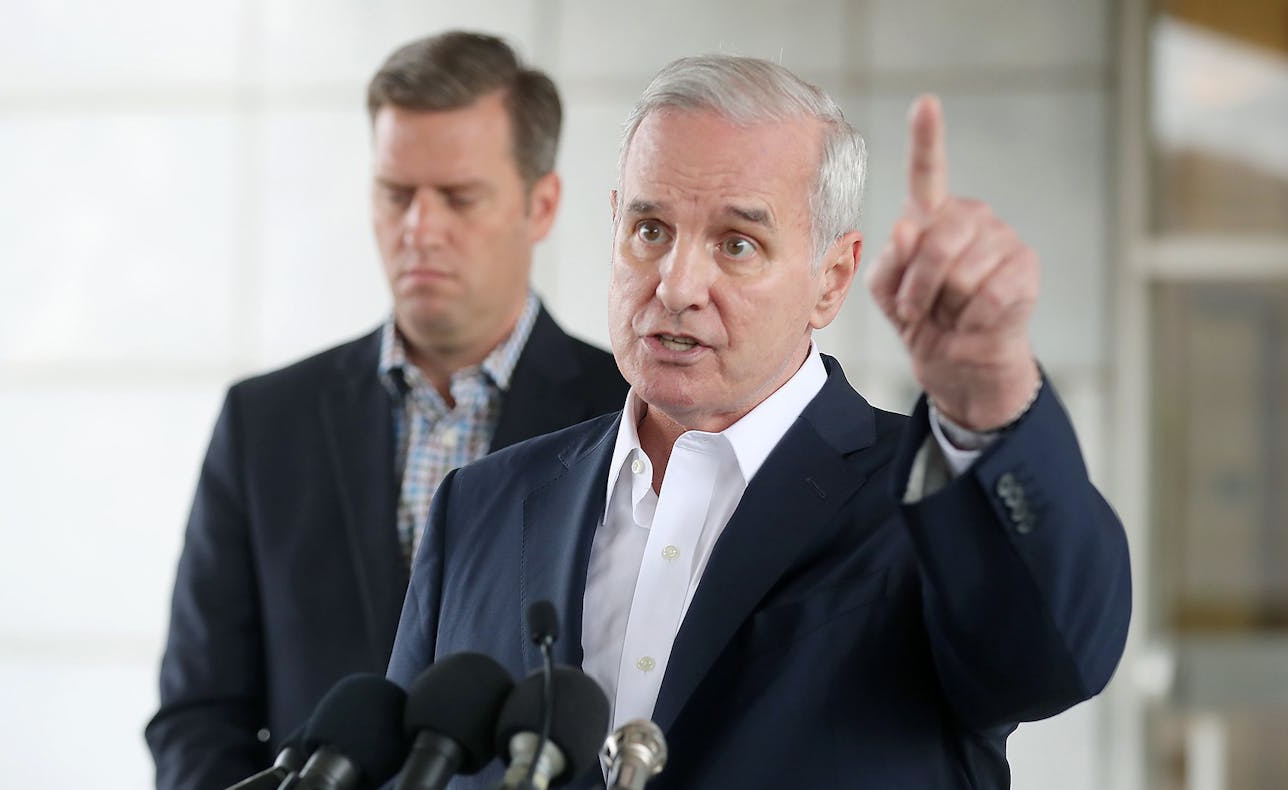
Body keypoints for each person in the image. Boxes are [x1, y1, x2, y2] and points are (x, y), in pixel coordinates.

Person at [387, 55, 1131, 788]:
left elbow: (1054, 661)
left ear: (830, 280)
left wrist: (991, 398)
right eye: (650, 230)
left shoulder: (923, 504)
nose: (676, 286)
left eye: (736, 244)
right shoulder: (478, 508)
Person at [145, 31, 629, 790]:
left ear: (541, 205)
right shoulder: (264, 424)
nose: (419, 229)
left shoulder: (631, 414)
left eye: (459, 197)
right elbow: (198, 713)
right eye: (396, 193)